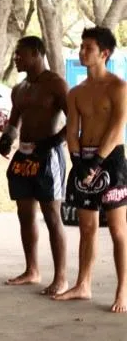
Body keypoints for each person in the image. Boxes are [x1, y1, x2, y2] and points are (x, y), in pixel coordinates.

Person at [55, 27, 127, 313]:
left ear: (104, 53)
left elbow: (117, 127)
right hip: (83, 159)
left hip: (111, 160)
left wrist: (97, 162)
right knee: (87, 227)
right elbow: (72, 130)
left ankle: (123, 290)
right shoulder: (76, 92)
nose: (81, 52)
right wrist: (78, 161)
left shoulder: (118, 87)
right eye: (81, 47)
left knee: (119, 230)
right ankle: (82, 284)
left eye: (88, 48)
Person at [0, 37, 68, 295]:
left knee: (52, 215)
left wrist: (55, 141)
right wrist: (7, 138)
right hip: (24, 156)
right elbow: (14, 121)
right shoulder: (20, 88)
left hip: (48, 156)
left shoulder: (55, 84)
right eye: (15, 54)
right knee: (25, 213)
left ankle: (61, 278)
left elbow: (75, 120)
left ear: (37, 53)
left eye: (20, 54)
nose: (16, 58)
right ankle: (32, 270)